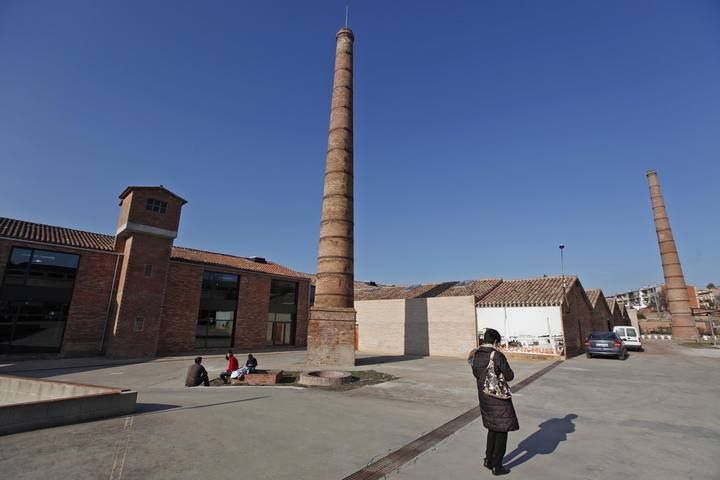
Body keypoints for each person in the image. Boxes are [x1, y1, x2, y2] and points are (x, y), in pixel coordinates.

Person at [471, 328, 519, 476]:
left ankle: (488, 460)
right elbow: (509, 375)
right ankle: (497, 466)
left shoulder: (475, 355)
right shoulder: (497, 355)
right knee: (502, 430)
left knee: (492, 429)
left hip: (484, 397)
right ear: (495, 341)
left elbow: (476, 374)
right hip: (498, 398)